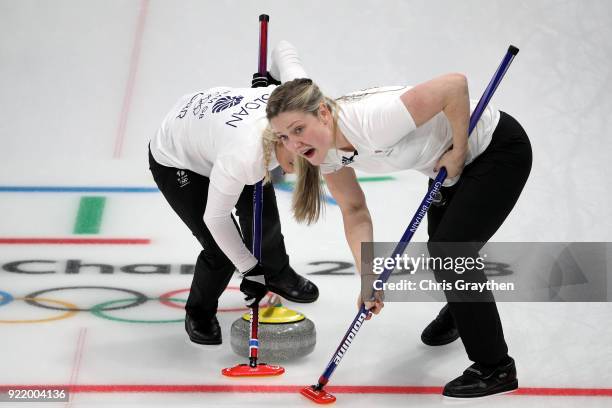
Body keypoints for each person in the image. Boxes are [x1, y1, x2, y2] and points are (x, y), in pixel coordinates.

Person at [264, 76, 532, 398]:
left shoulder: (375, 121)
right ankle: (463, 312)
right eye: (284, 136)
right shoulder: (327, 151)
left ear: (323, 113)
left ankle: (496, 366)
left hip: (496, 151)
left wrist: (459, 152)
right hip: (448, 168)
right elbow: (354, 210)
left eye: (298, 129)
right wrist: (368, 278)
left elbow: (454, 86)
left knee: (450, 251)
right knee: (445, 250)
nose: (293, 144)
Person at [148, 41, 318, 346]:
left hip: (218, 132)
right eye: (295, 162)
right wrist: (249, 270)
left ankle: (277, 273)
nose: (294, 172)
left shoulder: (299, 98)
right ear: (284, 138)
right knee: (220, 250)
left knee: (262, 214)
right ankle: (198, 311)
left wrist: (273, 80)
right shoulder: (245, 157)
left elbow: (284, 48)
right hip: (177, 156)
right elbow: (215, 218)